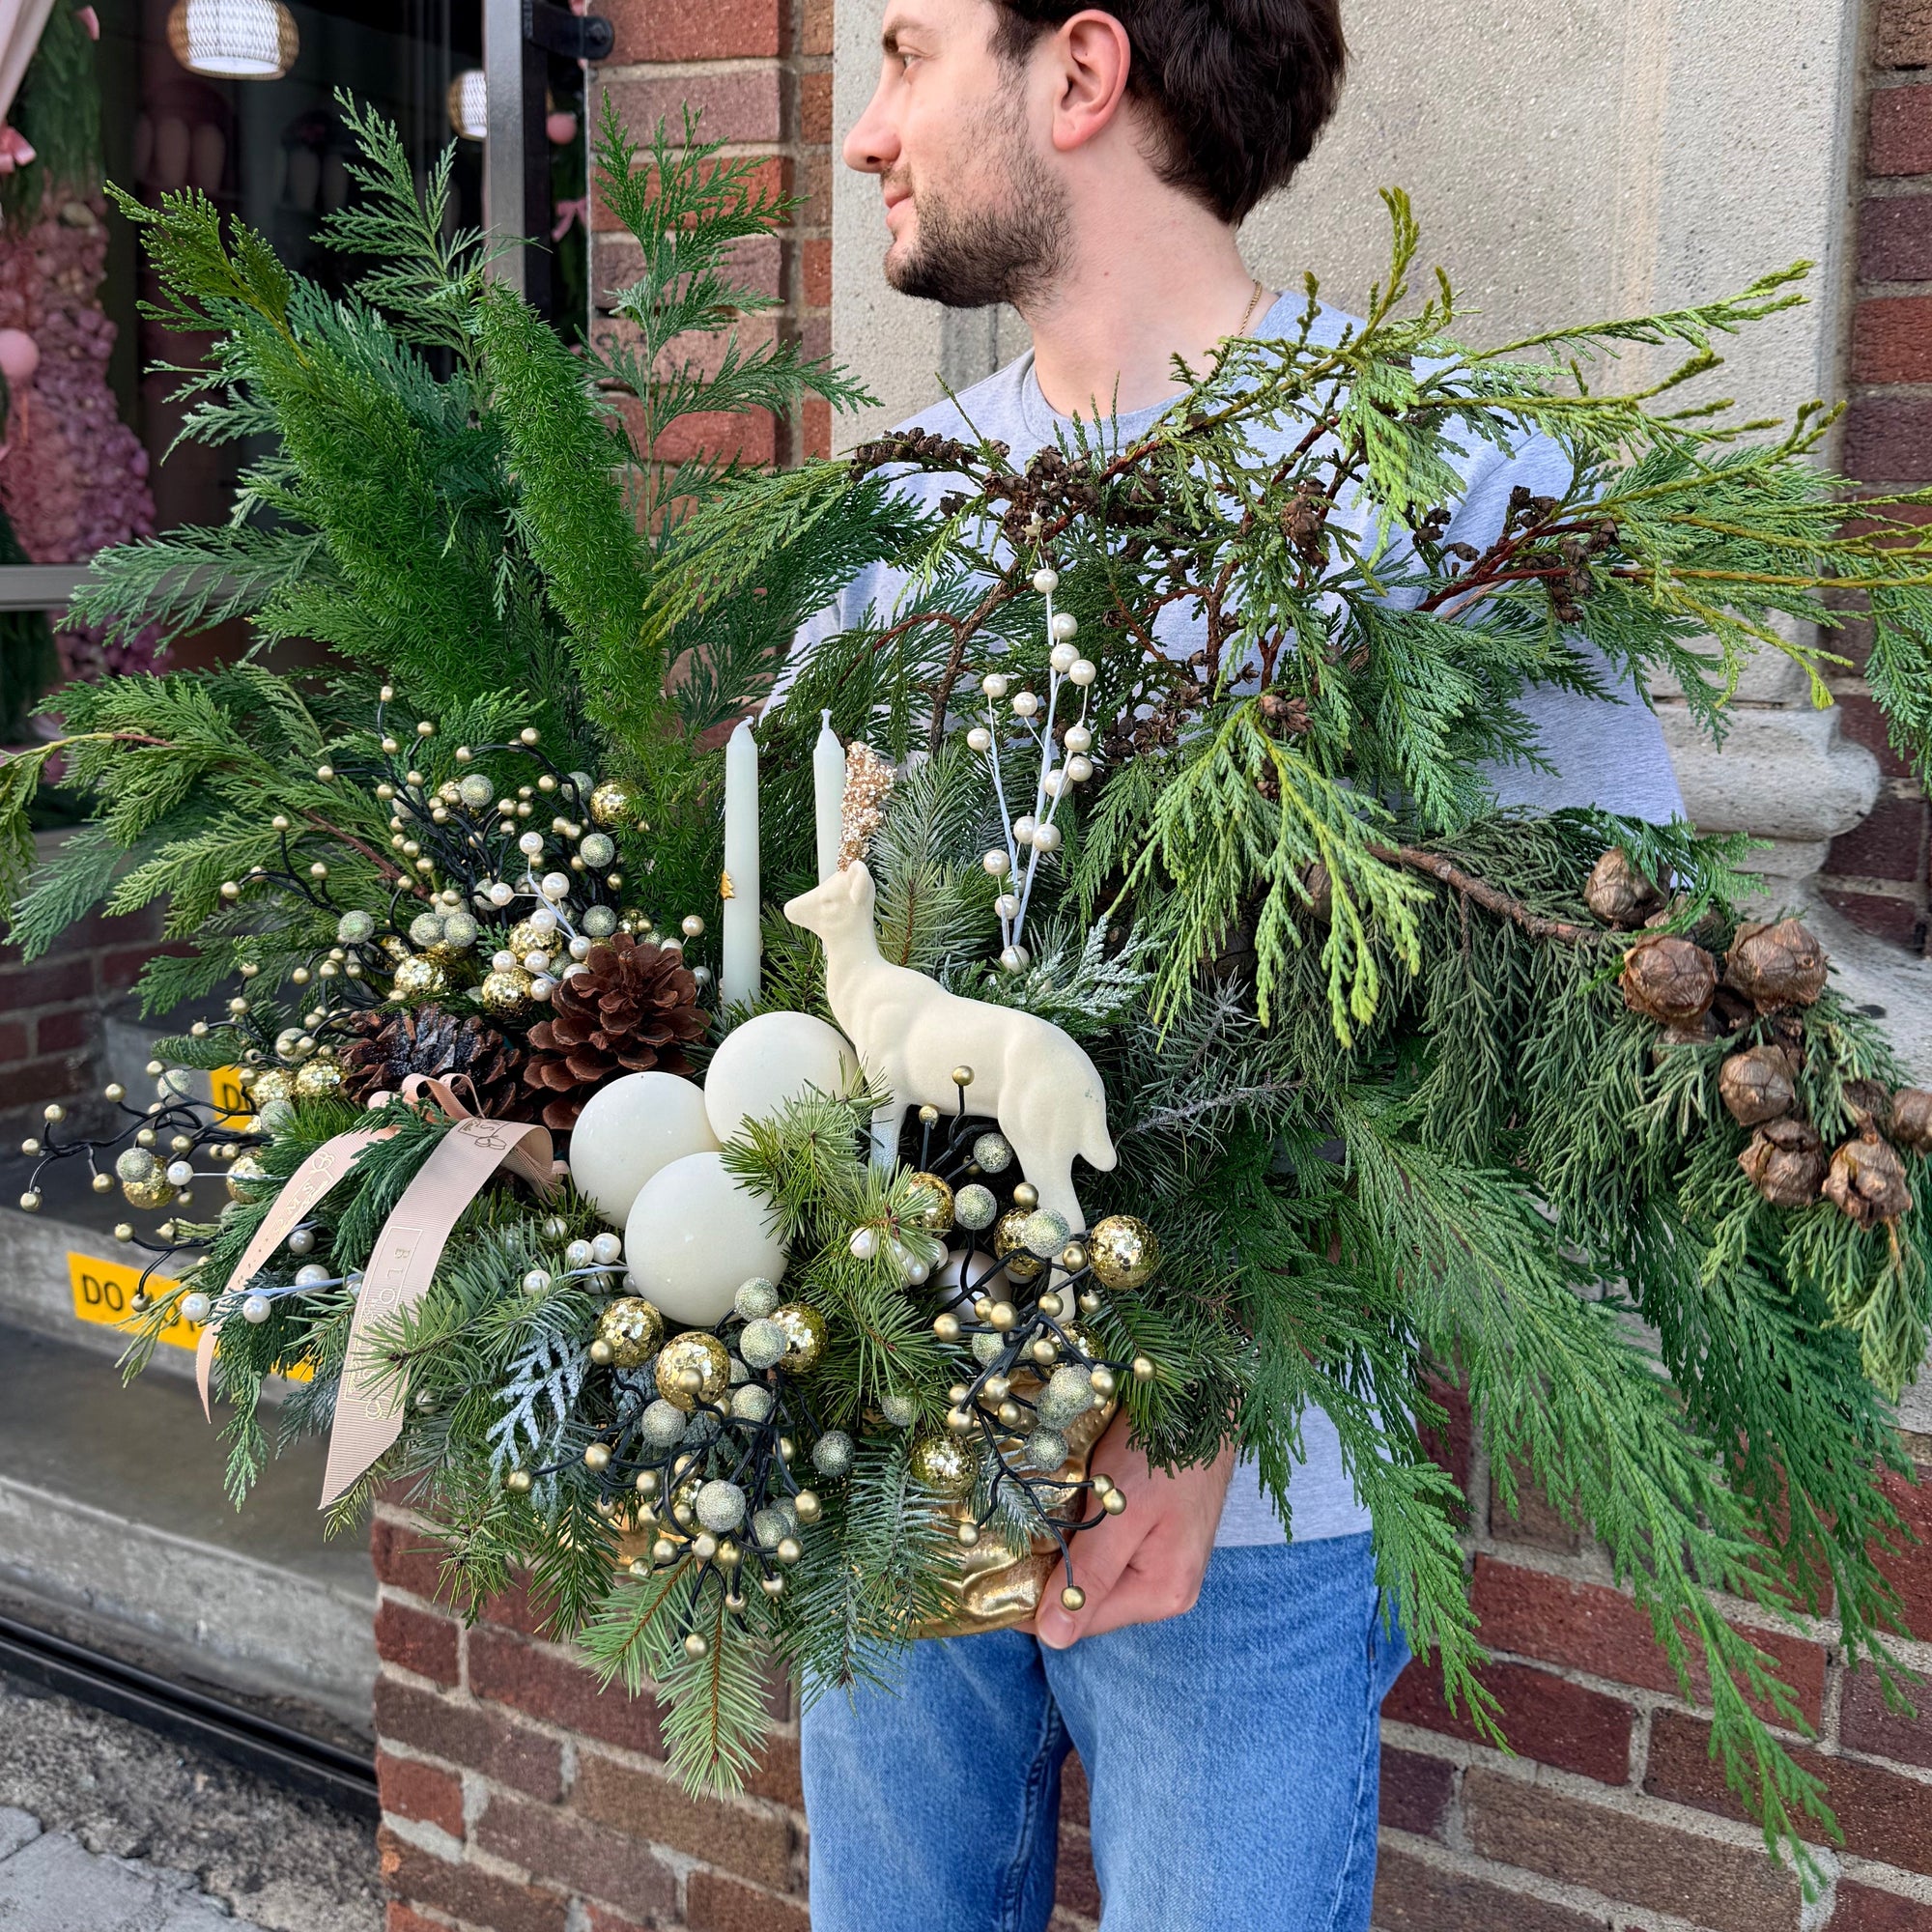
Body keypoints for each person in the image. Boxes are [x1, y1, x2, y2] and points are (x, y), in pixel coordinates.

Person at [794, 2, 1685, 1926]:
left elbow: (1573, 1016)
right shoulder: (905, 507)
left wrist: (1212, 1388)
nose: (866, 132)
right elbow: (795, 962)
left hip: (1248, 1517)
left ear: (1080, 73)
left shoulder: (1438, 487)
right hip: (891, 1438)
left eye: (904, 54)